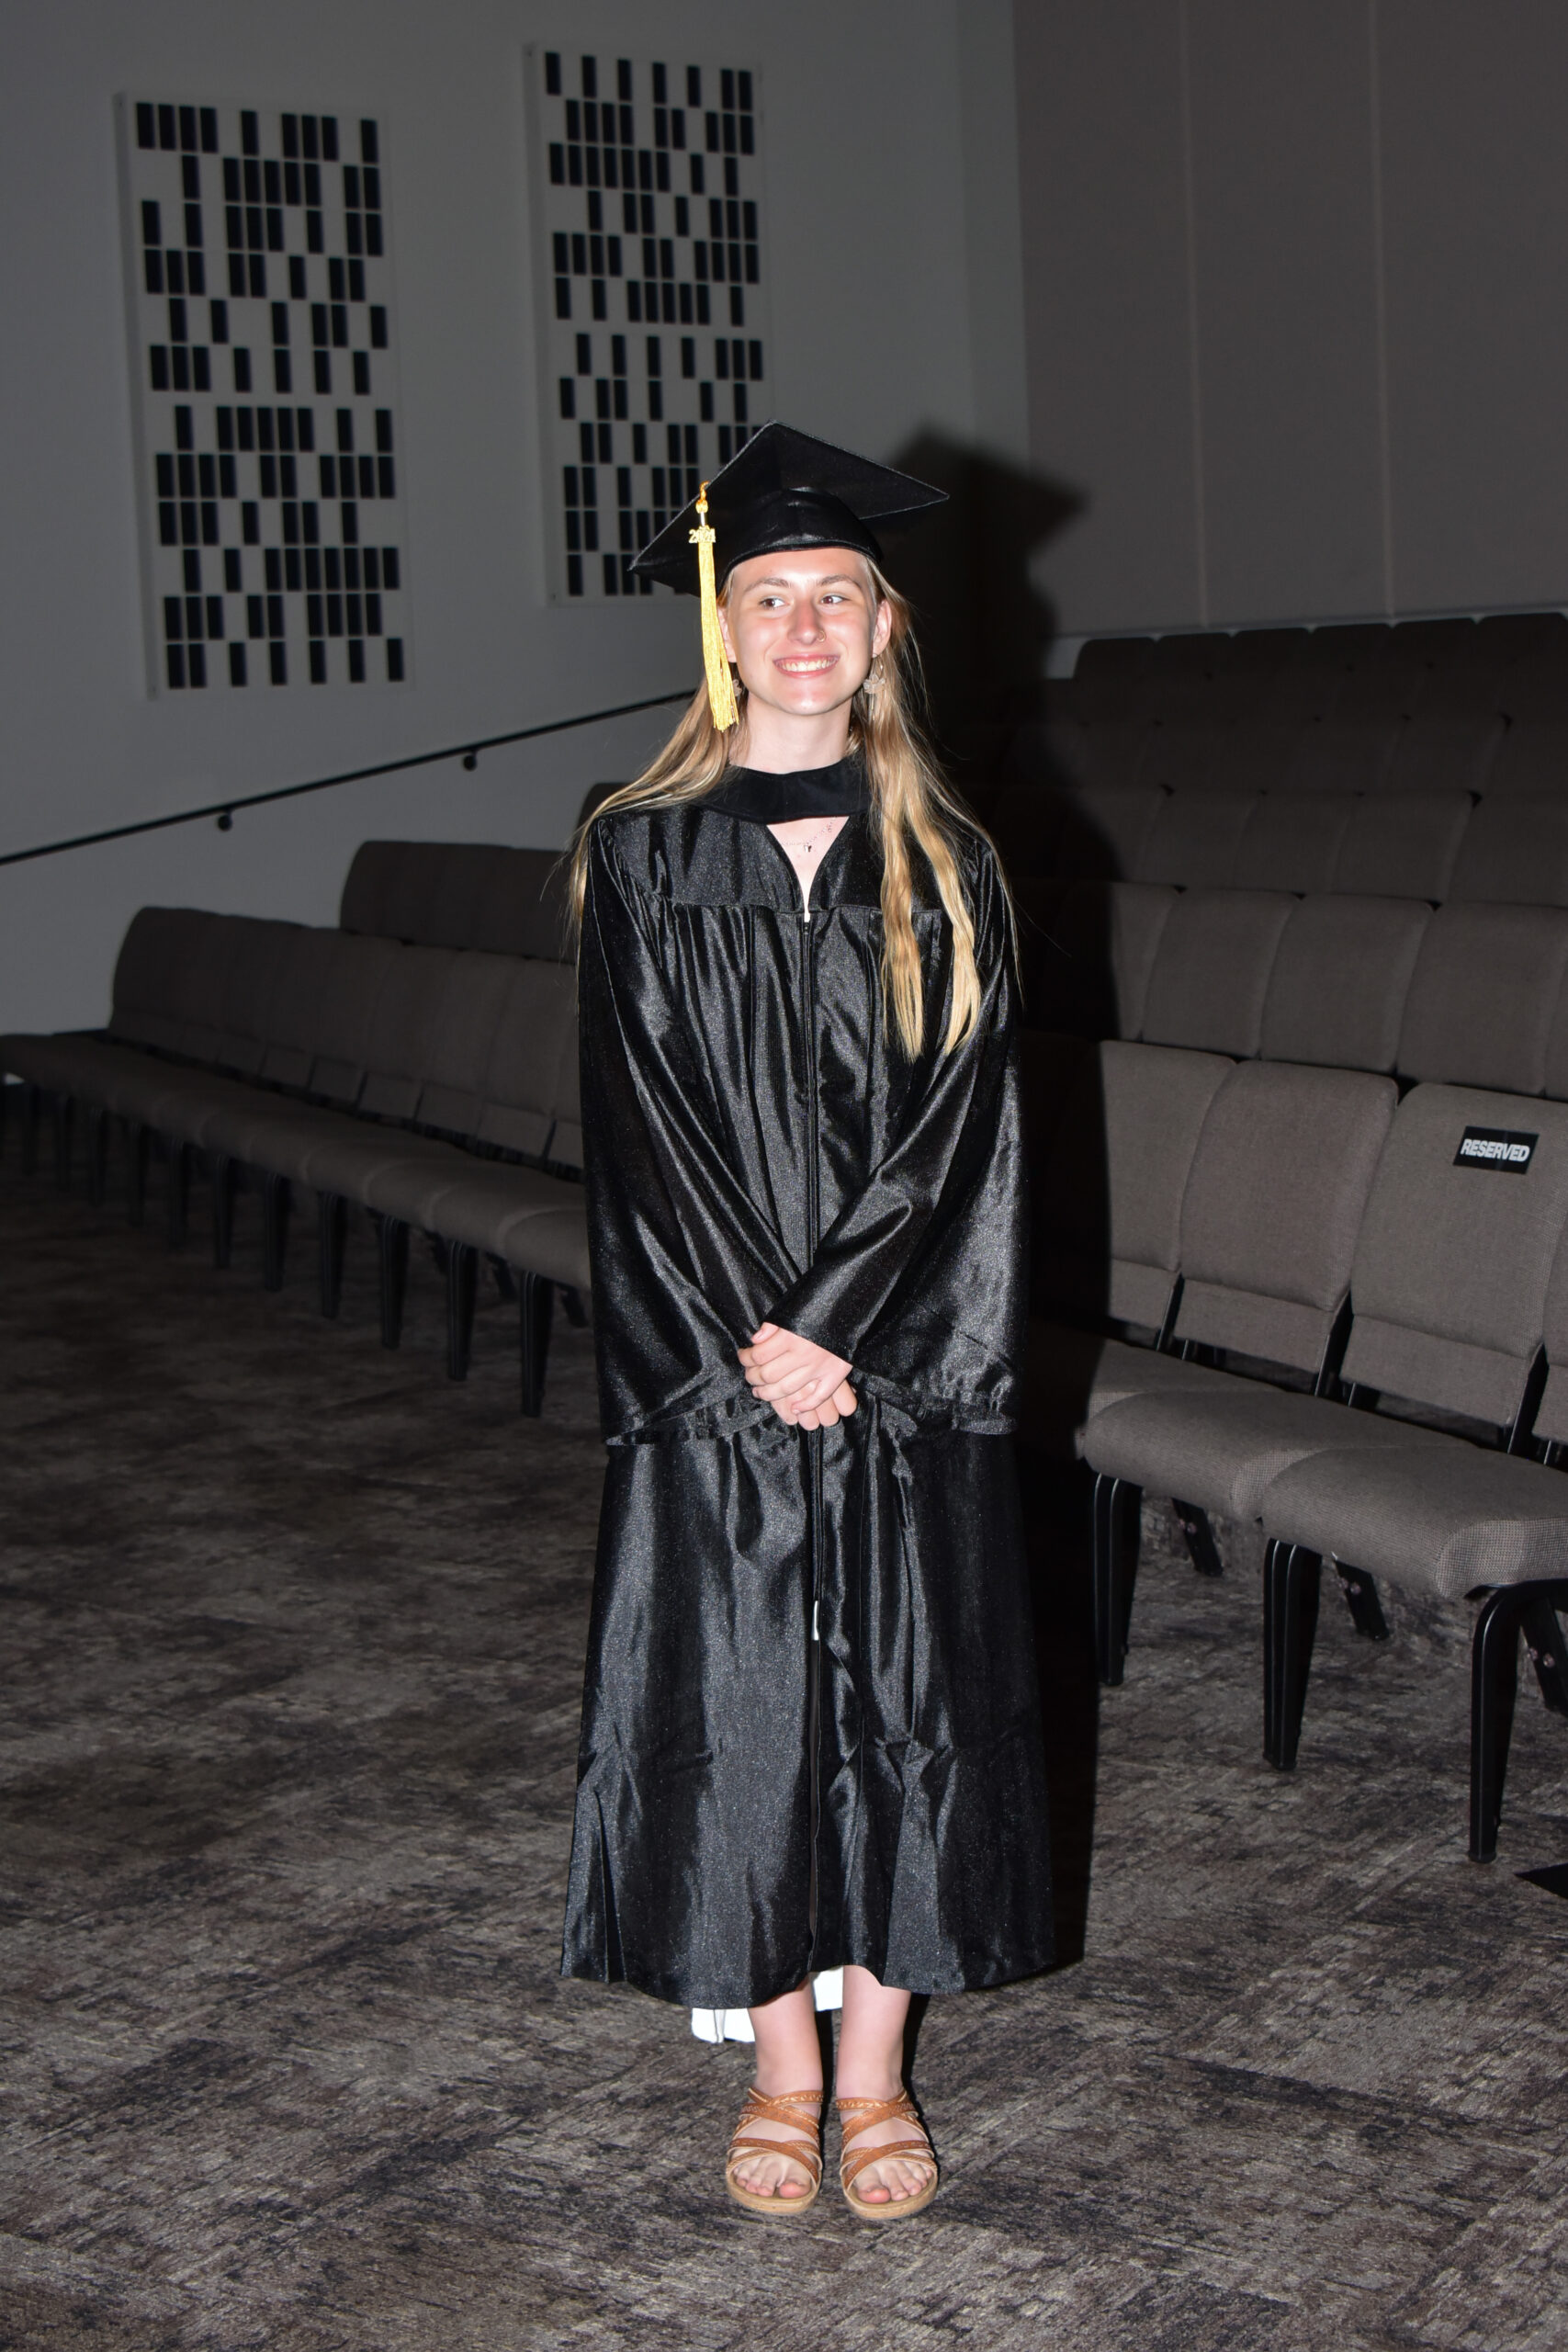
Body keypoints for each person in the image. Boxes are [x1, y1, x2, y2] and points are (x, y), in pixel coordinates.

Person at [561, 424, 1053, 2220]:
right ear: (723, 625)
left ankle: (875, 2075)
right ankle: (779, 2065)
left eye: (834, 595)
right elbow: (636, 1124)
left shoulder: (952, 858)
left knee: (912, 1698)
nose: (800, 626)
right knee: (740, 1693)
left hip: (898, 1355)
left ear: (882, 624)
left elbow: (964, 1128)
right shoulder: (637, 854)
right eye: (767, 596)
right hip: (719, 1359)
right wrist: (754, 1338)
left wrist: (843, 1326)